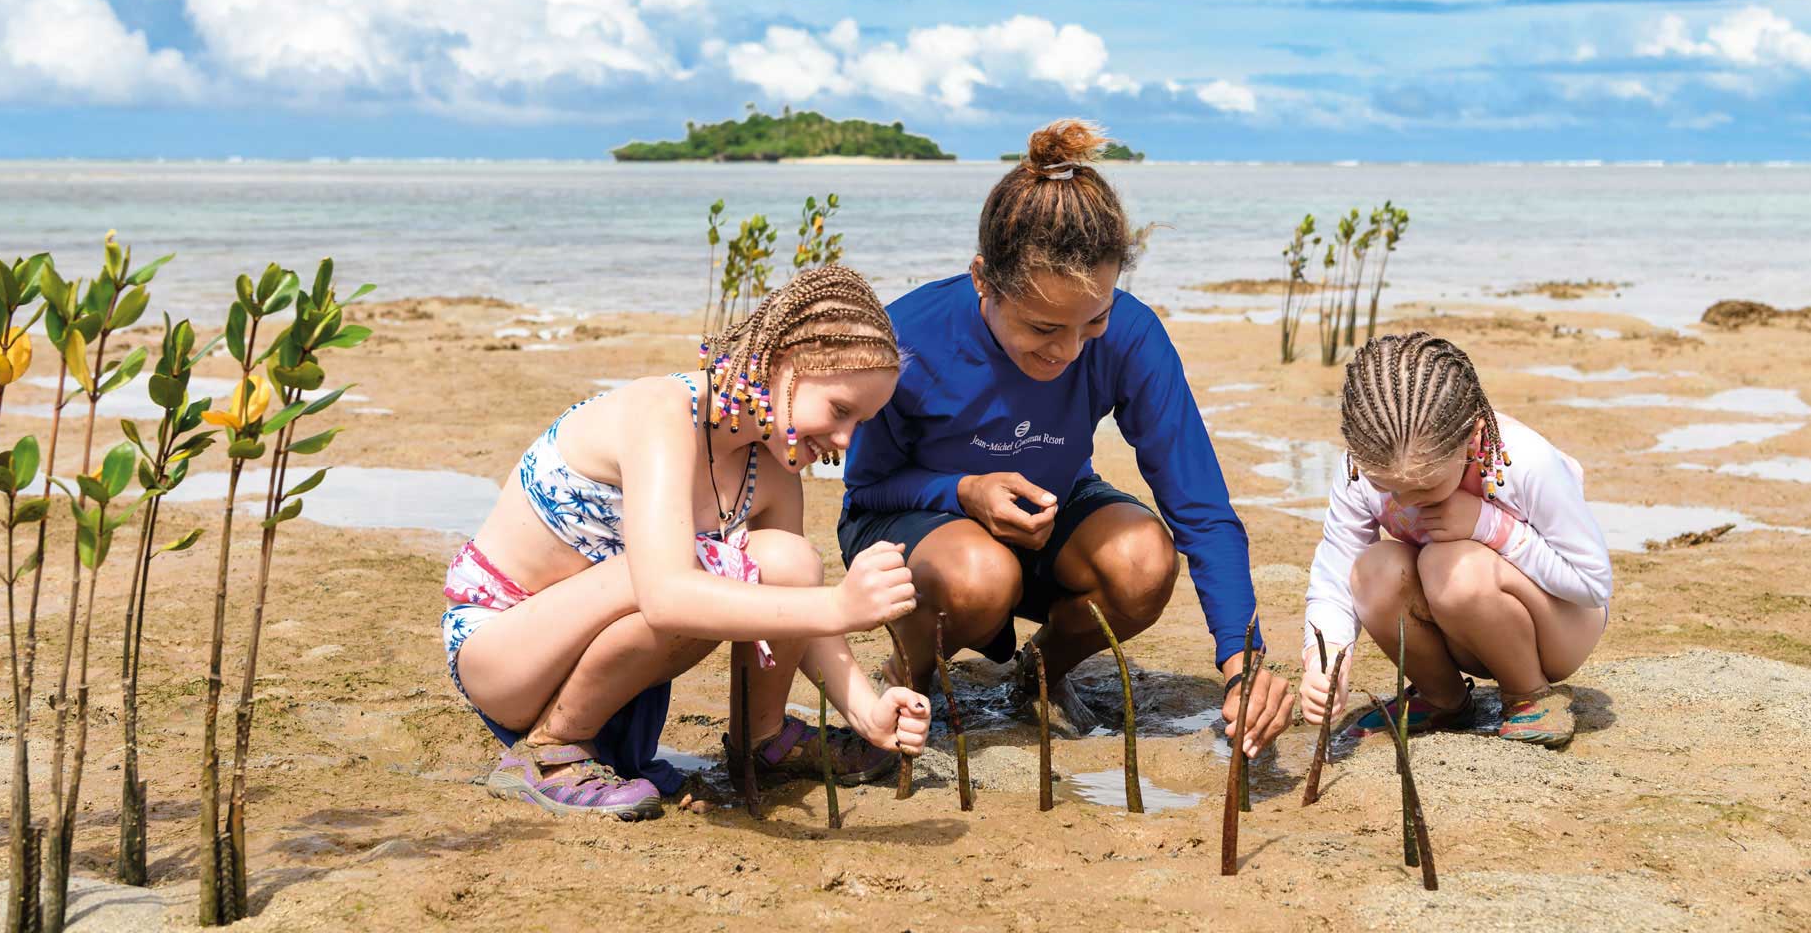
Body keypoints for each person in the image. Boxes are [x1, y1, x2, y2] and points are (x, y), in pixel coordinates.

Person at [839, 120, 1291, 758]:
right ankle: (905, 682)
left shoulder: (1131, 337)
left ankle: (1040, 673)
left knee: (1144, 562)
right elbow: (866, 491)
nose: (1069, 351)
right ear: (982, 280)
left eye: (1093, 320)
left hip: (1051, 514)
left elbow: (1202, 508)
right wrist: (963, 491)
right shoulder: (909, 340)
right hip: (917, 519)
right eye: (1043, 327)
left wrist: (1242, 663)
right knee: (979, 576)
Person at [442, 266, 931, 817]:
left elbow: (795, 603)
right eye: (840, 410)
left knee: (789, 560)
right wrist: (843, 604)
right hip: (505, 653)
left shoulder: (770, 471)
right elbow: (665, 595)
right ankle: (550, 751)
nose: (844, 439)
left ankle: (763, 741)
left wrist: (868, 711)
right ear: (785, 360)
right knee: (691, 572)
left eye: (861, 423)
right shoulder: (662, 414)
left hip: (605, 660)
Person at [1299, 331, 1612, 749]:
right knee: (1371, 569)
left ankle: (1529, 695)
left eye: (1424, 488)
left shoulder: (1526, 463)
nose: (1404, 502)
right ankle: (1442, 697)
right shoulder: (1362, 467)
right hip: (1455, 623)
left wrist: (1490, 525)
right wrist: (1327, 658)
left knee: (1450, 565)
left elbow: (1593, 586)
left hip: (1557, 630)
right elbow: (1337, 566)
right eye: (1386, 487)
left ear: (1472, 439)